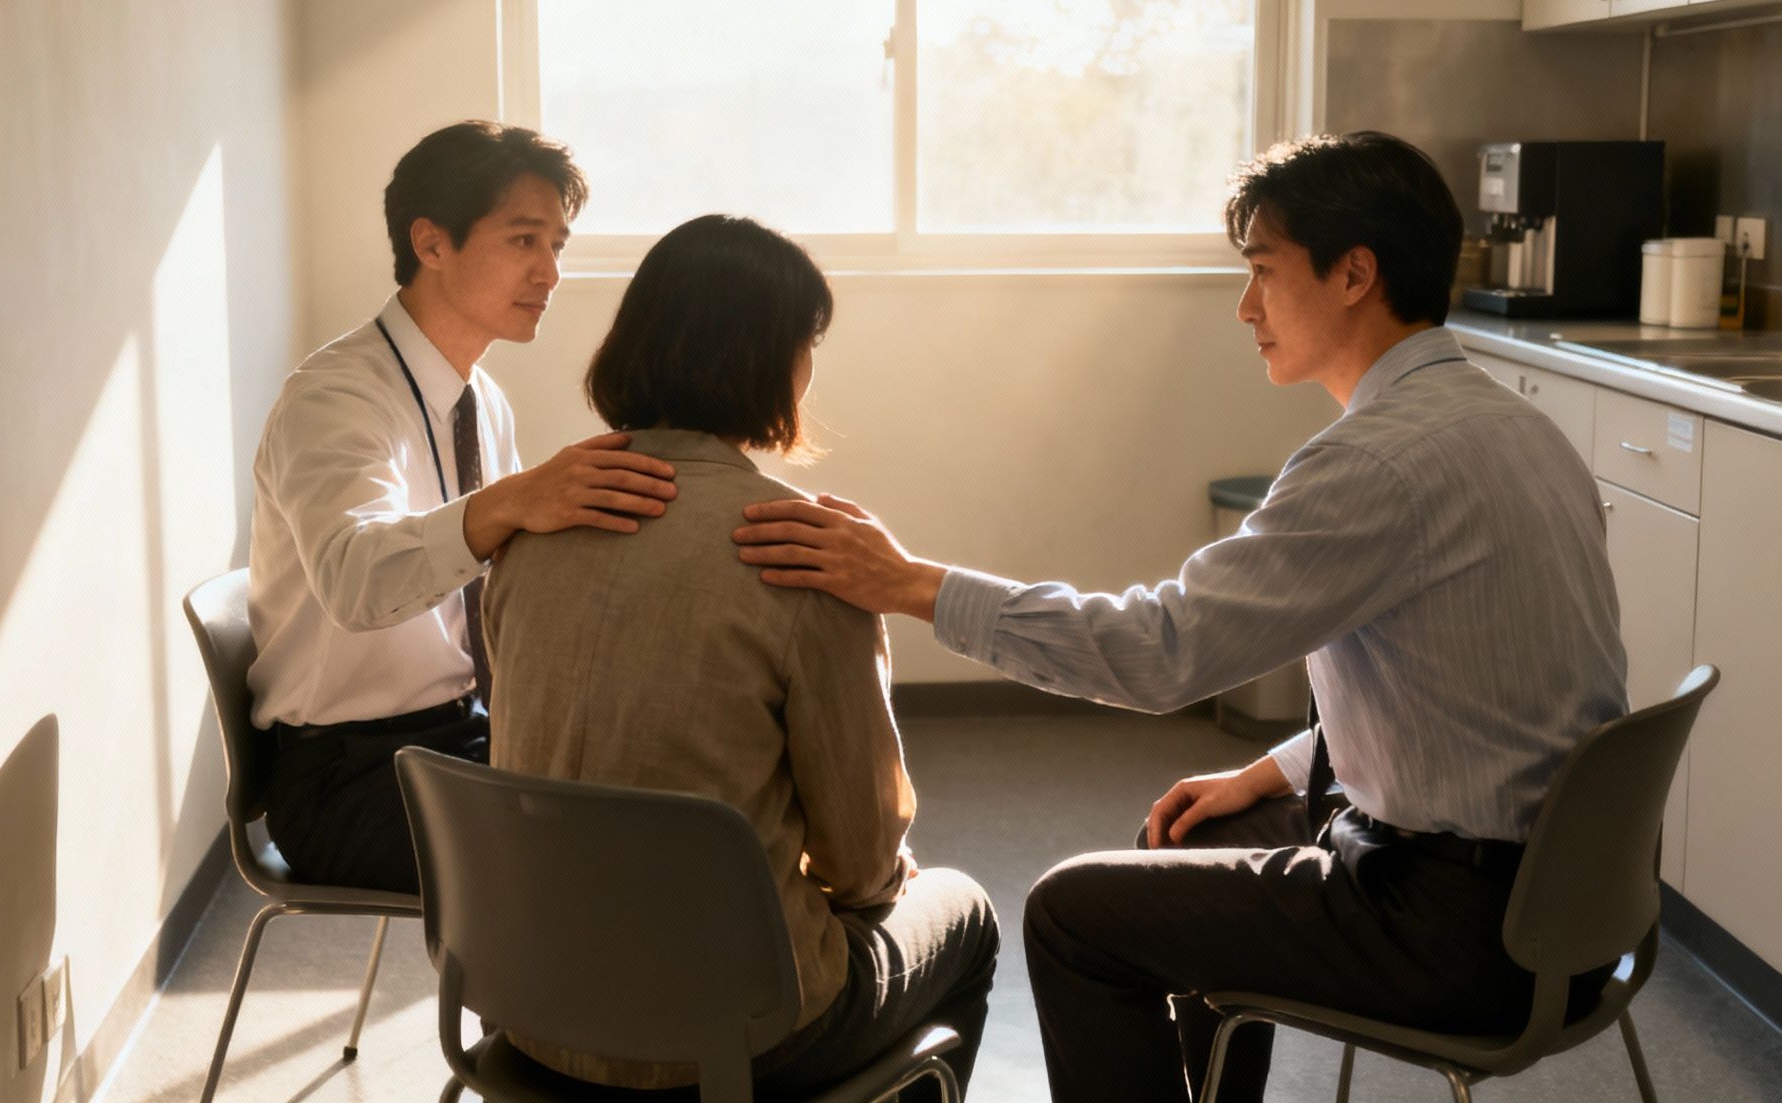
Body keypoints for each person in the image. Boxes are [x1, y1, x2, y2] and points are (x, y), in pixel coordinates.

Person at [730, 132, 1628, 1102]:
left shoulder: (1370, 464)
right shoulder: (1518, 429)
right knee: (1195, 832)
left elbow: (1159, 652)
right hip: (1570, 905)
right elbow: (1472, 687)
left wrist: (912, 585)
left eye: (1261, 273)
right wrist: (1271, 769)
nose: (1244, 309)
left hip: (1456, 929)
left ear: (1353, 274)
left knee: (1072, 915)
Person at [483, 214, 998, 1097]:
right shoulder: (799, 550)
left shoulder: (532, 523)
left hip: (530, 1010)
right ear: (777, 361)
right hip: (735, 1040)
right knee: (967, 915)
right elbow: (861, 858)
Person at [245, 120, 679, 894]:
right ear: (431, 243)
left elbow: (509, 576)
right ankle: (529, 1019)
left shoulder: (482, 400)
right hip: (344, 778)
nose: (549, 272)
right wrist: (513, 501)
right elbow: (357, 582)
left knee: (673, 786)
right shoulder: (336, 398)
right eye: (523, 241)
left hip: (461, 736)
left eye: (558, 246)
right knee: (606, 862)